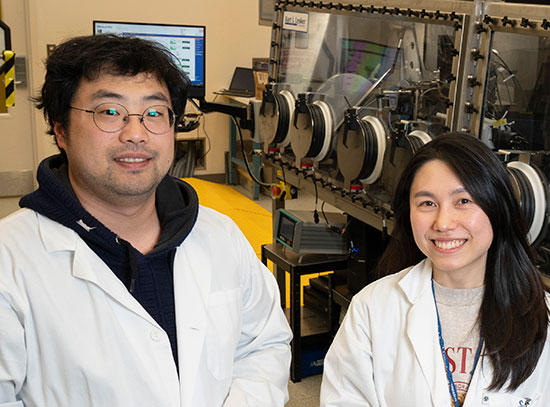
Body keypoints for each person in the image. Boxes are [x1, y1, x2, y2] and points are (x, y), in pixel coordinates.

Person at [0, 34, 291, 407]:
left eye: (154, 113)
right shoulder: (11, 261)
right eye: (108, 112)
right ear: (61, 130)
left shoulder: (219, 235)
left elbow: (263, 345)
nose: (135, 133)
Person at [321, 132, 550, 406]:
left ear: (497, 207)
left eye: (463, 201)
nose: (443, 223)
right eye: (427, 203)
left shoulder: (543, 318)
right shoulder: (371, 310)